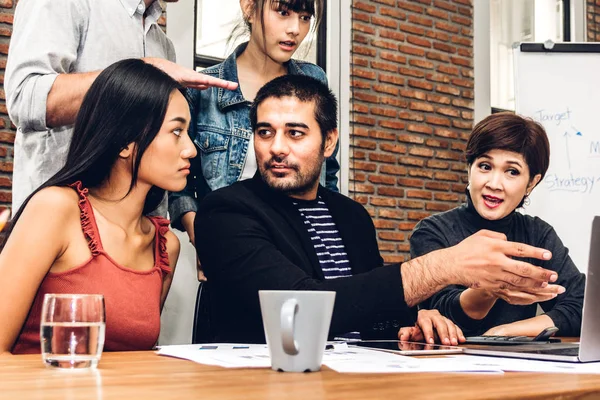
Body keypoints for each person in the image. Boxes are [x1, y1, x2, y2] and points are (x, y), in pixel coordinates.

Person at [194, 75, 561, 344]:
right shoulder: (226, 213)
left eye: (295, 133)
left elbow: (371, 308)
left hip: (363, 376)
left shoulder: (351, 216)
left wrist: (416, 319)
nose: (276, 147)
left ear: (329, 142)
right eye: (264, 132)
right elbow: (299, 310)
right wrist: (442, 266)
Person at [0, 59, 197, 354]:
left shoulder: (165, 246)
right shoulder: (55, 210)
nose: (191, 148)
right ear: (125, 142)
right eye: (177, 132)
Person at [5, 0, 236, 212]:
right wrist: (140, 70)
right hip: (59, 232)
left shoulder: (162, 44)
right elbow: (24, 97)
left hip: (136, 235)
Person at [169, 0, 339, 261]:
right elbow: (178, 185)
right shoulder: (203, 90)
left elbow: (328, 175)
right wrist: (202, 236)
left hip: (302, 252)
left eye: (305, 17)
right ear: (249, 8)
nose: (295, 29)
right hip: (231, 251)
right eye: (283, 13)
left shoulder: (313, 82)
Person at [410, 113, 585, 337]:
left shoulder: (538, 234)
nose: (494, 184)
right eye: (485, 166)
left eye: (512, 172)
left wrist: (504, 331)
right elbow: (440, 314)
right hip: (449, 365)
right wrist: (491, 288)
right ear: (469, 169)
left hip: (519, 367)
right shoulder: (432, 231)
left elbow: (580, 307)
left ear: (531, 183)